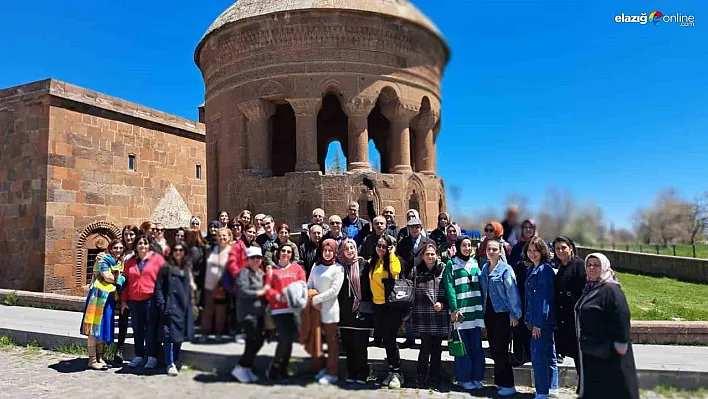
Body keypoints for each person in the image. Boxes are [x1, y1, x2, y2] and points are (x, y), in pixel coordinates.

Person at [576, 253, 638, 399]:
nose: (591, 268)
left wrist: (621, 343)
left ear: (604, 267)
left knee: (613, 388)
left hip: (609, 351)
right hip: (594, 349)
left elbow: (622, 315)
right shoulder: (592, 287)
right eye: (589, 265)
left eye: (596, 265)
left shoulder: (611, 289)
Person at [480, 239, 522, 397]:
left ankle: (508, 384)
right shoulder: (485, 268)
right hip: (489, 314)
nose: (491, 252)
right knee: (495, 350)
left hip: (503, 314)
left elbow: (512, 293)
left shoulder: (505, 269)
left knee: (503, 350)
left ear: (500, 251)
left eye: (494, 249)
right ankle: (500, 382)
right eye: (489, 249)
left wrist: (514, 314)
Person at [444, 236, 485, 391]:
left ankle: (477, 377)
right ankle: (463, 378)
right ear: (458, 246)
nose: (467, 248)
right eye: (464, 245)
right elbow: (450, 287)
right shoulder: (451, 263)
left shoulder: (475, 263)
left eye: (469, 245)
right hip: (461, 311)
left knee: (476, 346)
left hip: (475, 310)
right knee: (462, 346)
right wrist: (454, 309)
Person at [264, 242, 307, 381]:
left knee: (288, 342)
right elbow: (268, 290)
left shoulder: (297, 269)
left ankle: (283, 371)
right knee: (285, 338)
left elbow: (303, 285)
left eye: (289, 251)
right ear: (279, 253)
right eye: (284, 251)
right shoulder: (272, 270)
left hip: (294, 309)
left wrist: (298, 297)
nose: (286, 253)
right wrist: (278, 296)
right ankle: (274, 368)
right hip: (278, 310)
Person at [121, 235, 164, 369]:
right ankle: (139, 355)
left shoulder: (157, 260)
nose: (143, 246)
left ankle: (152, 356)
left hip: (150, 299)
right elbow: (126, 283)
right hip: (134, 301)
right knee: (137, 329)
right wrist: (123, 301)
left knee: (151, 329)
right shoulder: (130, 262)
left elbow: (163, 280)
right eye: (140, 243)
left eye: (145, 243)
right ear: (136, 246)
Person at [80, 239, 124, 370]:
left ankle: (100, 357)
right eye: (115, 247)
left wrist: (118, 276)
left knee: (102, 327)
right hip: (98, 296)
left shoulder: (119, 262)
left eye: (121, 248)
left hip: (109, 297)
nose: (118, 250)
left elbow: (115, 277)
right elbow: (107, 277)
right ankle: (92, 360)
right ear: (110, 248)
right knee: (93, 328)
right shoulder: (104, 259)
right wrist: (121, 278)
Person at [410, 243, 449, 390]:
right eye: (427, 254)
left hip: (439, 314)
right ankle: (420, 376)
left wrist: (443, 304)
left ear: (437, 255)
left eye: (433, 254)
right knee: (425, 347)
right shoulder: (416, 271)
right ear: (422, 256)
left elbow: (449, 289)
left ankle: (434, 377)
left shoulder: (444, 269)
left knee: (437, 348)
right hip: (423, 314)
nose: (430, 257)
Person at [524, 237, 559, 399]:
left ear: (542, 252)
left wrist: (538, 324)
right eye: (529, 251)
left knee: (538, 355)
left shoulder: (544, 270)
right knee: (548, 352)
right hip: (536, 320)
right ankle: (552, 388)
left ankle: (542, 391)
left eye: (535, 251)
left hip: (543, 322)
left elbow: (544, 299)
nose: (532, 254)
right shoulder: (532, 269)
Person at [307, 239, 345, 385]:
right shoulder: (316, 266)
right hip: (315, 311)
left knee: (331, 343)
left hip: (330, 310)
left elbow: (334, 291)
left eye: (330, 250)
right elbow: (309, 283)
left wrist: (316, 299)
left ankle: (332, 372)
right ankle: (321, 368)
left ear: (335, 251)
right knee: (317, 342)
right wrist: (310, 295)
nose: (327, 253)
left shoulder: (338, 268)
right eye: (325, 250)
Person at [369, 234, 405, 389]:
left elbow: (396, 271)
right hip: (377, 306)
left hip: (390, 306)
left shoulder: (391, 259)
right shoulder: (374, 261)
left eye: (384, 246)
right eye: (379, 245)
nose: (381, 248)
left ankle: (397, 372)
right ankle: (391, 370)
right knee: (385, 340)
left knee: (390, 339)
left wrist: (391, 253)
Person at [155, 241, 194, 376]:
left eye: (181, 250)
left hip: (182, 308)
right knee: (168, 337)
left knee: (179, 336)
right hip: (170, 306)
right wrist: (162, 303)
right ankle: (169, 362)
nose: (178, 252)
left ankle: (176, 360)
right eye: (176, 250)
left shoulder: (186, 268)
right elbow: (158, 287)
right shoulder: (166, 267)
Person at [231, 246, 270, 383]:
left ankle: (246, 367)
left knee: (257, 341)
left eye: (258, 258)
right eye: (253, 258)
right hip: (248, 315)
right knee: (253, 341)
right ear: (248, 259)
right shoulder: (244, 273)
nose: (256, 260)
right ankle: (241, 367)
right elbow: (242, 291)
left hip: (259, 314)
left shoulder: (260, 273)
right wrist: (260, 292)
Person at [337, 238, 373, 384]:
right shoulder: (339, 266)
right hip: (344, 311)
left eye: (352, 247)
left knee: (361, 345)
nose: (350, 250)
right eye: (347, 248)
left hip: (361, 310)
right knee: (348, 345)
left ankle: (363, 373)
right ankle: (352, 373)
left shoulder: (365, 265)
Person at [395, 217, 435, 348]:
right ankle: (410, 338)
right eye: (411, 227)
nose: (414, 229)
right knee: (408, 310)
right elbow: (399, 259)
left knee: (424, 308)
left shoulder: (429, 242)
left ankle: (425, 338)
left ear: (421, 228)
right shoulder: (403, 243)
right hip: (408, 279)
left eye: (417, 227)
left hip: (424, 278)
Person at [552, 236, 586, 378]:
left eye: (563, 247)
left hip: (577, 320)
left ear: (571, 248)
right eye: (557, 248)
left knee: (582, 359)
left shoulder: (579, 266)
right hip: (566, 320)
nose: (560, 251)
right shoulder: (562, 267)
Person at [508, 219, 537, 362]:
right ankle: (519, 352)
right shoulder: (517, 247)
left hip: (536, 289)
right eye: (525, 228)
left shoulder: (539, 246)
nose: (527, 230)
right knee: (519, 320)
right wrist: (522, 264)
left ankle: (532, 352)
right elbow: (510, 266)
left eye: (530, 227)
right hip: (520, 288)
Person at [199, 228, 233, 340]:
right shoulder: (212, 249)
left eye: (224, 236)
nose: (222, 238)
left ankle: (219, 333)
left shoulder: (232, 251)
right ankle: (204, 333)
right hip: (209, 286)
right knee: (207, 311)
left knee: (220, 312)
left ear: (229, 237)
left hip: (222, 287)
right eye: (219, 235)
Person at [114, 225, 139, 364]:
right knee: (122, 321)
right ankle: (119, 349)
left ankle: (140, 352)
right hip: (121, 292)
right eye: (126, 234)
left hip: (135, 291)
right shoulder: (120, 251)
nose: (128, 237)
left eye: (131, 234)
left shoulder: (138, 252)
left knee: (138, 323)